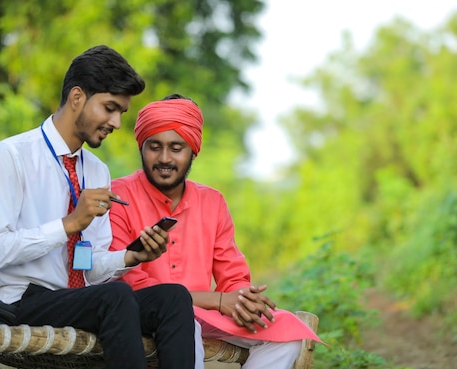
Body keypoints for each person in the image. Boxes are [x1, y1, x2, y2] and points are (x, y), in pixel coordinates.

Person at [0, 46, 195, 369]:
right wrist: (68, 224)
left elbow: (89, 268)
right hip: (21, 299)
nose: (117, 122)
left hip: (78, 299)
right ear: (77, 97)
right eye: (110, 108)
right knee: (115, 298)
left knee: (174, 298)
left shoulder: (95, 170)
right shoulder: (12, 156)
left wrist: (133, 256)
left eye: (121, 112)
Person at [109, 94, 325, 369]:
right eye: (154, 147)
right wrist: (219, 300)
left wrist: (243, 300)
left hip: (207, 313)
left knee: (287, 333)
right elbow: (129, 283)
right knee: (186, 326)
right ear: (141, 147)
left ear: (193, 151)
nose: (164, 158)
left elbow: (232, 274)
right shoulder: (119, 195)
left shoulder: (212, 201)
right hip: (145, 313)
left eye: (176, 148)